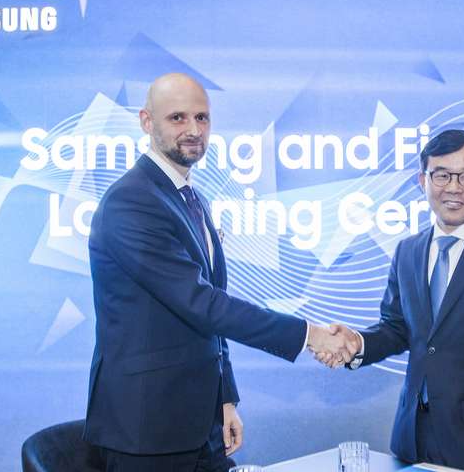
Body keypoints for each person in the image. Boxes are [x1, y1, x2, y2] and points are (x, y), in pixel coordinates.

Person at [83, 73, 355, 472]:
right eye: (177, 118)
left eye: (202, 117)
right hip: (147, 430)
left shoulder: (191, 198)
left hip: (201, 423)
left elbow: (209, 315)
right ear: (146, 122)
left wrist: (225, 398)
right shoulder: (132, 201)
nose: (193, 130)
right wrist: (310, 335)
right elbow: (202, 304)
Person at [318, 130, 464, 472]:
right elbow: (397, 329)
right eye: (441, 175)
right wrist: (357, 343)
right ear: (422, 181)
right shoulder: (408, 251)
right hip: (411, 439)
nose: (453, 187)